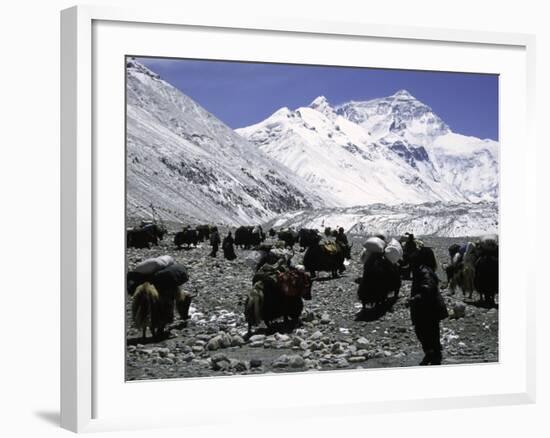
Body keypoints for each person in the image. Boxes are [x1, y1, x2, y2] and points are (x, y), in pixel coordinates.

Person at [408, 247, 448, 365]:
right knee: (431, 331)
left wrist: (416, 298)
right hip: (430, 307)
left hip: (426, 308)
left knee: (423, 331)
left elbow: (427, 287)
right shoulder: (427, 269)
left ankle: (432, 353)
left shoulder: (423, 270)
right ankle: (434, 354)